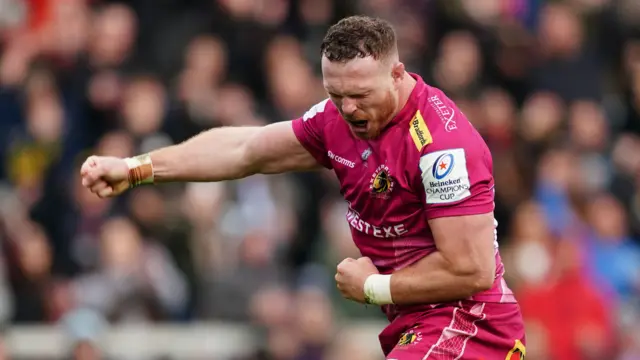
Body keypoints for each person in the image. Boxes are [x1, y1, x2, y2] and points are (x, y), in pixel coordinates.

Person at [80, 15, 526, 360]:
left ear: (397, 74)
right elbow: (244, 150)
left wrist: (376, 289)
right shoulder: (338, 120)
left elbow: (472, 270)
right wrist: (137, 167)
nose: (349, 109)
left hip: (469, 327)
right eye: (336, 94)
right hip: (420, 326)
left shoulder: (442, 146)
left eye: (360, 95)